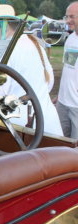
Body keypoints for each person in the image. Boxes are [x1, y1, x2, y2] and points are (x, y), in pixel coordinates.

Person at [0, 4, 63, 136]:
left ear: (3, 26)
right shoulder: (33, 43)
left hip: (22, 126)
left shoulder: (7, 51)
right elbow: (49, 80)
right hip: (47, 120)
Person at [56, 1, 78, 138]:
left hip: (76, 106)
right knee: (61, 143)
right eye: (66, 17)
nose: (68, 21)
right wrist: (59, 94)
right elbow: (68, 68)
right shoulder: (70, 39)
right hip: (62, 103)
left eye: (72, 17)